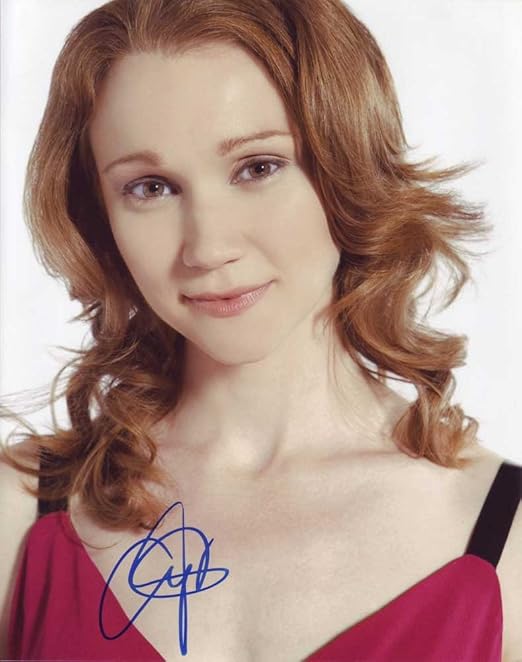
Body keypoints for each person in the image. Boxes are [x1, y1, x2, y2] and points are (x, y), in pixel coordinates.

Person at [0, 0, 520, 660]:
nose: (208, 247)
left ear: (347, 165)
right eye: (151, 187)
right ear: (100, 216)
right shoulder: (18, 513)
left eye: (258, 167)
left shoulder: (506, 544)